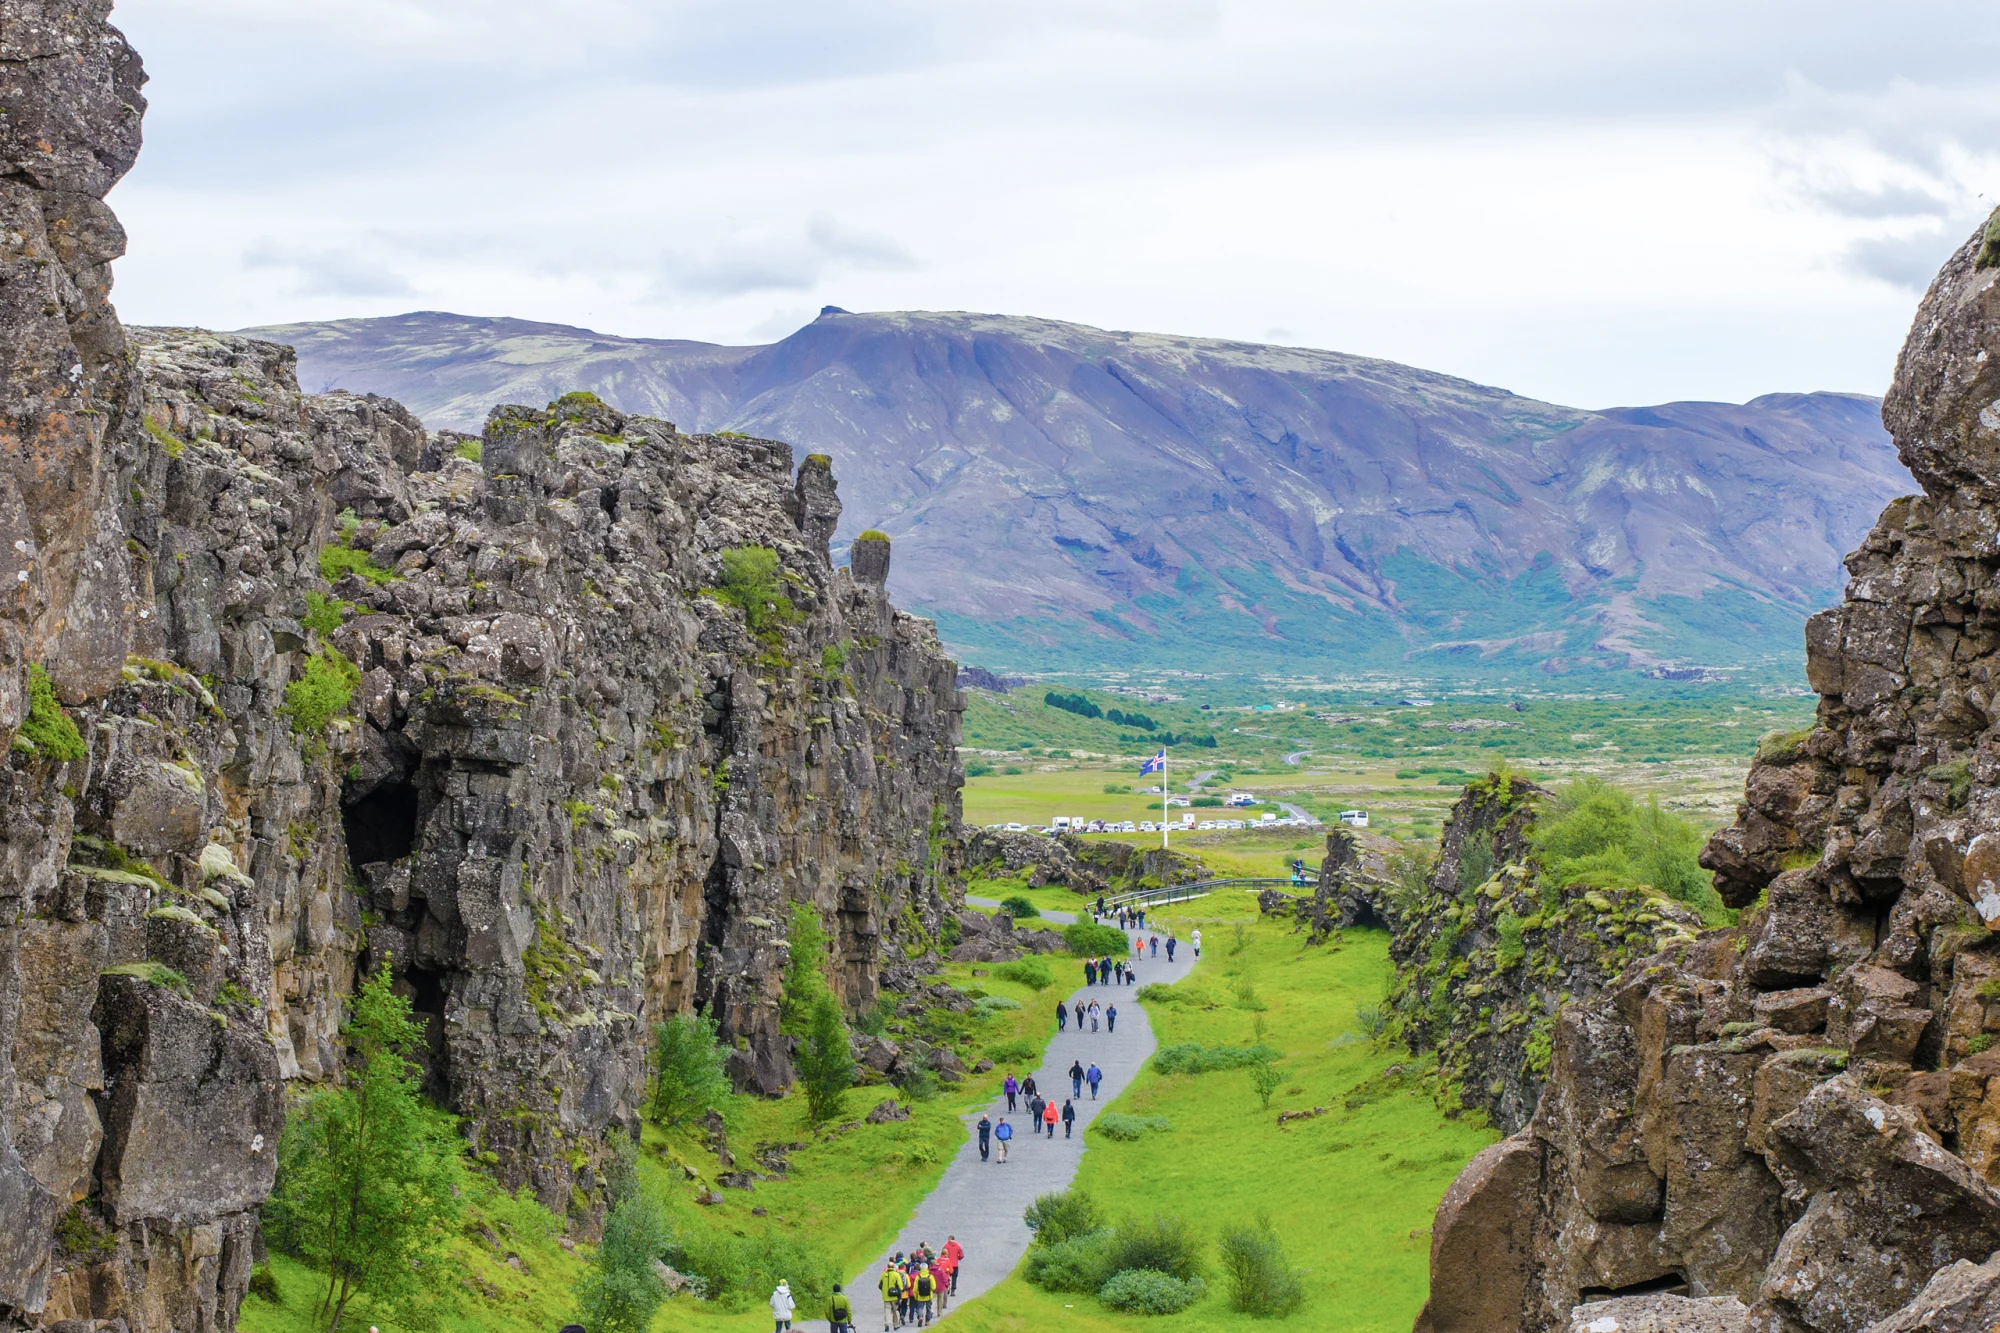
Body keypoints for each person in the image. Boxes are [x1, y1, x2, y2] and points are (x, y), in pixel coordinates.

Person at [879, 1262, 906, 1331]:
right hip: (895, 1296)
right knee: (895, 1310)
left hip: (886, 1296)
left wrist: (884, 1290)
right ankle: (896, 1325)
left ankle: (887, 1324)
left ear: (887, 1267)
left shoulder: (883, 1275)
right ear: (893, 1267)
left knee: (887, 1310)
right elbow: (900, 1286)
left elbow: (879, 1285)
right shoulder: (896, 1275)